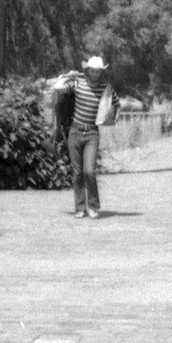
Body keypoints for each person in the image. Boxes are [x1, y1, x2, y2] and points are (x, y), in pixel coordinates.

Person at [55, 56, 120, 220]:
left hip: (92, 133)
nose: (95, 74)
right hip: (75, 132)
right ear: (87, 71)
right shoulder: (78, 84)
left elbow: (117, 104)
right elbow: (58, 89)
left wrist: (112, 118)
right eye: (92, 70)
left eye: (98, 71)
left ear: (101, 72)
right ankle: (80, 208)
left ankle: (93, 206)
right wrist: (66, 77)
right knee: (76, 172)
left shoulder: (106, 88)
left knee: (89, 171)